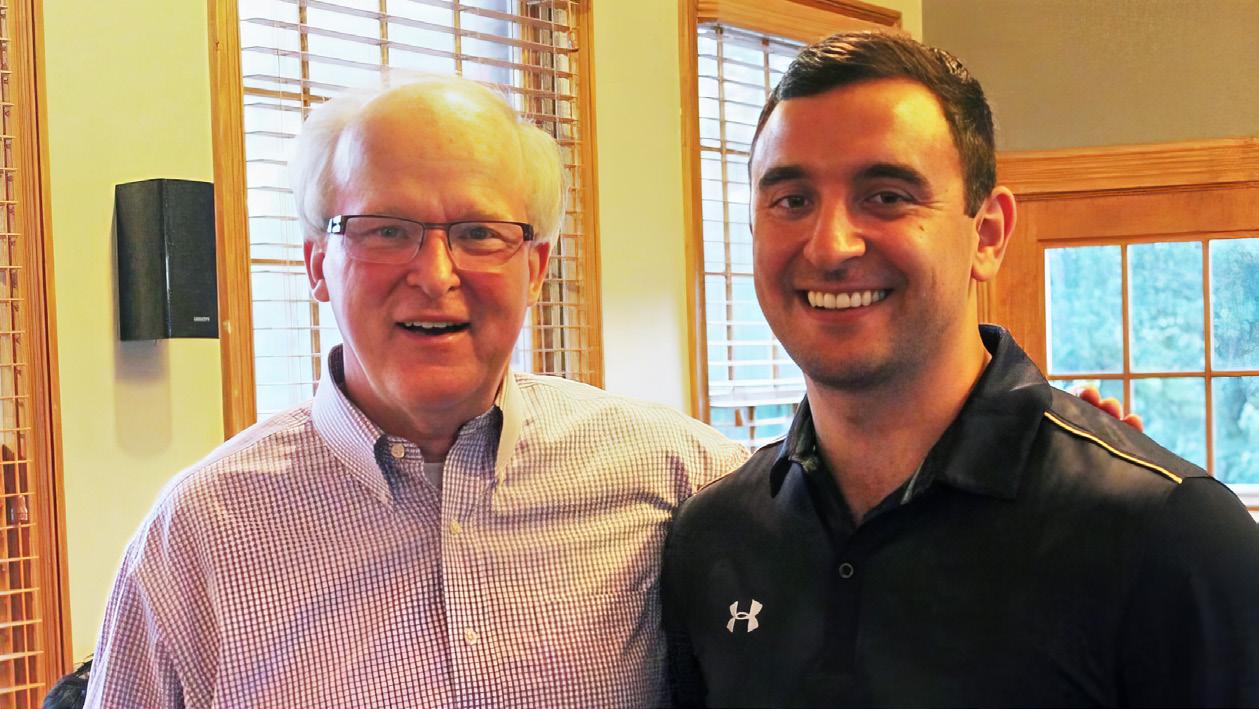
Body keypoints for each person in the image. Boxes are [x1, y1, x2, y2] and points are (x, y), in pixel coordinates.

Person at [84, 75, 748, 707]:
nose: (434, 275)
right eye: (386, 231)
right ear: (318, 265)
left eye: (479, 232)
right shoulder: (197, 536)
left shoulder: (678, 474)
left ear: (535, 268)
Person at [661, 31, 1259, 707]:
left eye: (886, 196)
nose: (829, 246)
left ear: (988, 234)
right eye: (791, 200)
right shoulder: (712, 537)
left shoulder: (1169, 535)